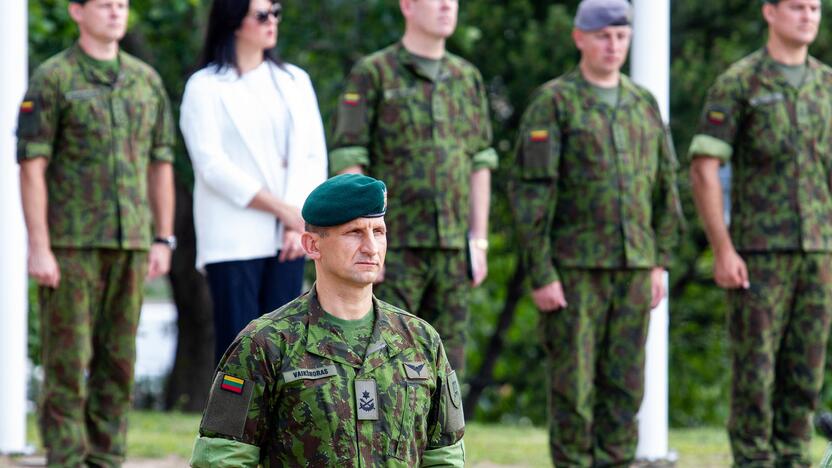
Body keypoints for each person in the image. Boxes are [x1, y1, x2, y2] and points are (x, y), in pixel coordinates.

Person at [509, 0, 683, 465]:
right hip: (574, 271)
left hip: (633, 269)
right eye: (603, 35)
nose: (613, 45)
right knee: (573, 392)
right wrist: (542, 272)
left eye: (621, 36)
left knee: (625, 390)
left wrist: (658, 261)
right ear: (579, 38)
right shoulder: (555, 102)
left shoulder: (641, 102)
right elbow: (531, 194)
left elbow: (665, 184)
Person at [189, 174, 465, 467]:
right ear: (312, 245)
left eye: (379, 232)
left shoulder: (420, 340)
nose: (371, 247)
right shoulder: (264, 344)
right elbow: (221, 459)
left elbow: (444, 456)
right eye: (354, 233)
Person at [16, 0, 176, 465]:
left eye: (122, 5)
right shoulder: (54, 78)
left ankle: (107, 459)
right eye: (104, 5)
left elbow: (160, 162)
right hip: (71, 245)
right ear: (76, 11)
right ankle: (66, 458)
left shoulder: (145, 81)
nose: (115, 13)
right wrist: (40, 246)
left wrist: (163, 237)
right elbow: (32, 166)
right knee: (67, 363)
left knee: (120, 362)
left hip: (130, 243)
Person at [689, 0, 832, 465]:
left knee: (805, 376)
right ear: (770, 12)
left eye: (814, 7)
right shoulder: (740, 82)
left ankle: (795, 458)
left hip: (819, 253)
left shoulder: (827, 85)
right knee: (755, 377)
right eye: (797, 7)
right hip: (759, 255)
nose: (808, 15)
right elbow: (706, 167)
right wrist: (723, 248)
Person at [328, 0, 498, 373]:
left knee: (449, 366)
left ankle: (447, 435)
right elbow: (350, 157)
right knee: (384, 356)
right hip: (394, 243)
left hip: (453, 246)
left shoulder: (466, 77)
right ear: (407, 5)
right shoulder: (375, 73)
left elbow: (480, 162)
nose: (446, 7)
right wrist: (363, 238)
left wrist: (479, 240)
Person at [180, 0, 328, 363]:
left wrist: (299, 224)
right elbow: (211, 164)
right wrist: (283, 210)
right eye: (262, 14)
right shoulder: (205, 86)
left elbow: (313, 156)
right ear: (234, 22)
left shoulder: (295, 81)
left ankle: (282, 422)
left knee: (286, 349)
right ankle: (230, 423)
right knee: (239, 348)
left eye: (276, 12)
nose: (272, 21)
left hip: (290, 237)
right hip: (234, 237)